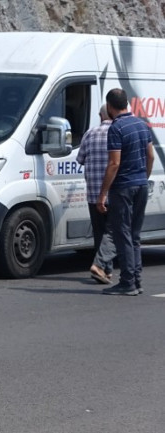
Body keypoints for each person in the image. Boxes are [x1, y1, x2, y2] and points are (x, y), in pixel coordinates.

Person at [96, 88, 154, 296]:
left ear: (110, 106)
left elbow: (114, 163)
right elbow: (151, 156)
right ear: (127, 104)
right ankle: (136, 280)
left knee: (122, 235)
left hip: (123, 187)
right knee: (135, 235)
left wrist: (103, 193)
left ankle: (128, 281)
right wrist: (143, 177)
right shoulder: (141, 124)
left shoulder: (117, 128)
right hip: (140, 185)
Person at [76, 104, 116, 284]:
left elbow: (80, 160)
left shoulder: (90, 134)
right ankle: (102, 267)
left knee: (100, 232)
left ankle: (106, 270)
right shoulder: (118, 132)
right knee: (114, 231)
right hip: (114, 191)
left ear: (101, 115)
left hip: (93, 192)